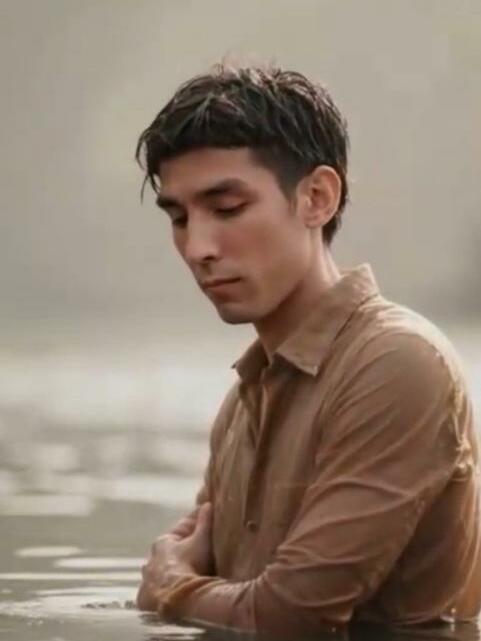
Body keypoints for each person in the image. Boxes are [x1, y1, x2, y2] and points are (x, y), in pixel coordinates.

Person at [134, 64, 481, 636]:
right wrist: (176, 584)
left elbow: (289, 615)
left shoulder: (398, 363)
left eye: (227, 208)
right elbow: (213, 588)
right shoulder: (243, 401)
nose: (197, 247)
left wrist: (170, 589)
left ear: (317, 198)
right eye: (178, 217)